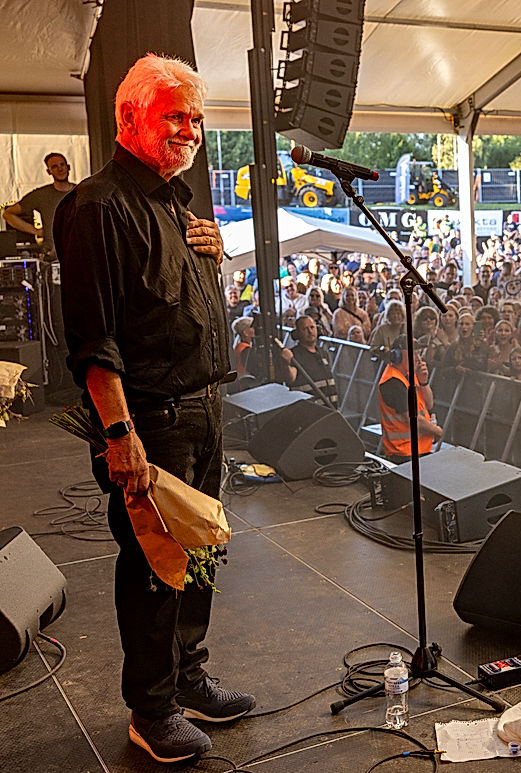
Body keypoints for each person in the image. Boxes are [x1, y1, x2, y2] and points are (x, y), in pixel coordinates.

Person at [56, 54, 254, 764]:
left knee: (198, 551)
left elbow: (178, 302)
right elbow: (94, 341)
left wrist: (214, 254)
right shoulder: (98, 206)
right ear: (129, 117)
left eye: (197, 118)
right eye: (176, 115)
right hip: (152, 420)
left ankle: (187, 675)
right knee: (153, 564)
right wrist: (120, 434)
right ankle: (152, 706)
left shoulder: (175, 200)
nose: (191, 130)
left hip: (201, 409)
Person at [377, 345, 441, 463]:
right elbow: (412, 418)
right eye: (413, 354)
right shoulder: (392, 381)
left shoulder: (410, 375)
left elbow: (429, 404)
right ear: (397, 356)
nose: (418, 359)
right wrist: (436, 431)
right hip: (404, 452)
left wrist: (424, 382)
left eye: (419, 354)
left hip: (420, 449)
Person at [4, 151, 75, 252]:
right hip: (52, 256)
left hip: (79, 253)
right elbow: (8, 214)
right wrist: (36, 231)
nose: (60, 169)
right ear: (48, 171)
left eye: (62, 164)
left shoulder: (81, 192)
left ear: (68, 167)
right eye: (54, 166)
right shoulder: (41, 195)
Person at [281, 315, 339, 407]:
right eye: (305, 329)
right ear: (297, 333)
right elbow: (290, 378)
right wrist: (286, 363)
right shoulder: (294, 355)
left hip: (330, 409)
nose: (310, 331)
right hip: (310, 411)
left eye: (312, 327)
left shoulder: (323, 353)